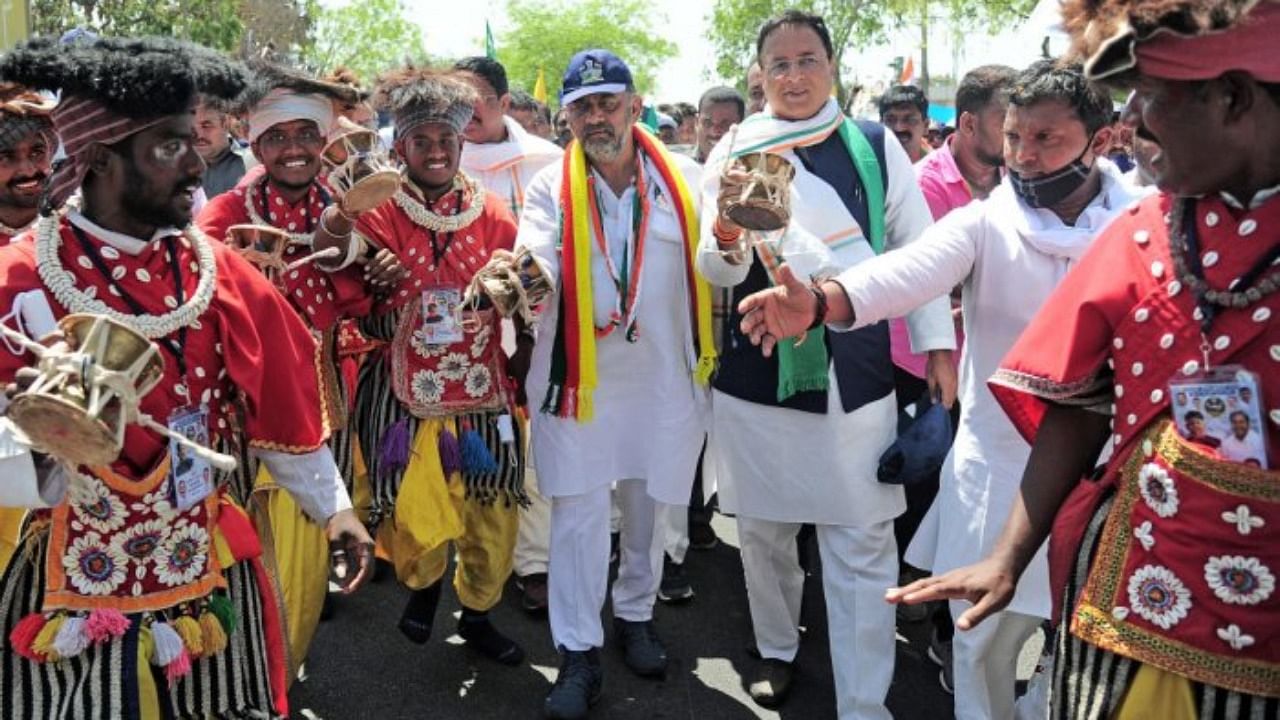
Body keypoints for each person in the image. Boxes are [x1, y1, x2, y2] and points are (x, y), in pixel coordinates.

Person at [885, 2, 1280, 717]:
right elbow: (1076, 401)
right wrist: (1009, 558)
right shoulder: (1146, 230)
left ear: (1233, 99)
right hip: (1129, 601)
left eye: (1155, 97)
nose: (1137, 125)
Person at [735, 58, 1139, 720]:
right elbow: (904, 273)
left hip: (1105, 480)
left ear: (1098, 143)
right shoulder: (987, 220)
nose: (1024, 158)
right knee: (978, 647)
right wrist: (822, 304)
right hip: (999, 473)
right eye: (1014, 138)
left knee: (1087, 650)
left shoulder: (1143, 223)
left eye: (1046, 140)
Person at [0, 35, 373, 718]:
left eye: (192, 142)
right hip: (68, 586)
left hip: (200, 566)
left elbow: (284, 407)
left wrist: (336, 512)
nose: (198, 162)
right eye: (170, 146)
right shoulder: (22, 279)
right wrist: (33, 430)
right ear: (102, 159)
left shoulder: (217, 272)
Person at [698, 11, 957, 717]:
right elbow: (716, 271)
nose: (794, 76)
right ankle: (777, 650)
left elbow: (918, 247)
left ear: (831, 66)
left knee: (862, 541)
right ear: (761, 76)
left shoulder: (874, 145)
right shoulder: (737, 150)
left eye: (807, 59)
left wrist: (937, 343)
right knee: (764, 534)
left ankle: (864, 701)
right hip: (761, 366)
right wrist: (724, 232)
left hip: (857, 366)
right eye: (778, 64)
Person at [517, 49, 715, 719]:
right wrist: (518, 279)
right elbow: (537, 250)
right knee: (574, 512)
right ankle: (578, 650)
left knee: (649, 503)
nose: (597, 117)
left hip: (663, 378)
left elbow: (718, 259)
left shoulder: (684, 180)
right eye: (582, 107)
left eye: (608, 102)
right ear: (565, 116)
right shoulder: (550, 184)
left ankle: (634, 614)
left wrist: (741, 241)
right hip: (577, 381)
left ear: (635, 104)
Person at [195, 62, 390, 676]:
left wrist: (377, 276)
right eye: (276, 137)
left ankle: (279, 667)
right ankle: (242, 674)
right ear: (254, 142)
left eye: (306, 134)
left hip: (321, 401)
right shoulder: (223, 214)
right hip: (240, 414)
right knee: (234, 556)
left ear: (325, 138)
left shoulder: (354, 203)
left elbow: (371, 299)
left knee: (303, 566)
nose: (293, 149)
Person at [332, 67, 530, 666]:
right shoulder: (376, 209)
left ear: (462, 143)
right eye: (423, 141)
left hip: (480, 389)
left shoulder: (492, 210)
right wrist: (375, 295)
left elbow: (521, 282)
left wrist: (511, 290)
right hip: (401, 390)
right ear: (401, 146)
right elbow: (342, 295)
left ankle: (477, 614)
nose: (437, 151)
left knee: (492, 515)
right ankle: (424, 587)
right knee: (417, 514)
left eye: (447, 139)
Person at [898, 62, 1016, 689]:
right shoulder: (921, 185)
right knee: (927, 508)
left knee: (980, 516)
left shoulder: (1024, 182)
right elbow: (905, 283)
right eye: (1007, 121)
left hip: (1001, 379)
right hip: (926, 372)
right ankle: (940, 629)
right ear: (968, 123)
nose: (1019, 134)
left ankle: (957, 631)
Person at [454, 55, 564, 614]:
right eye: (454, 99)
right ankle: (470, 566)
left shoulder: (550, 161)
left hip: (540, 325)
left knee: (536, 447)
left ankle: (535, 562)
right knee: (478, 450)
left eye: (476, 100)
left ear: (502, 102)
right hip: (462, 330)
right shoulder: (430, 158)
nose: (465, 113)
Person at [193, 96, 250, 199]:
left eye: (206, 126)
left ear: (225, 123)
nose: (199, 135)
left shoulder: (250, 164)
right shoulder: (178, 171)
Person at [879, 84, 932, 163]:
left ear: (925, 126)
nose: (899, 128)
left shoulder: (940, 171)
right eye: (890, 120)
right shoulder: (868, 169)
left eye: (910, 120)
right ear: (880, 125)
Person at [694, 86, 744, 164]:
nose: (715, 131)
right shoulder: (676, 165)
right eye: (708, 122)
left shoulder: (753, 167)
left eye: (725, 124)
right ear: (697, 122)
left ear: (742, 124)